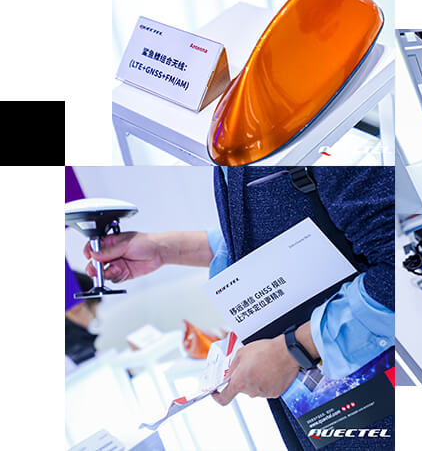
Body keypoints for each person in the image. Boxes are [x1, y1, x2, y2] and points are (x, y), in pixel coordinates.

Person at [83, 166, 394, 451]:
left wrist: (293, 349)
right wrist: (166, 250)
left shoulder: (324, 138)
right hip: (323, 411)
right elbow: (272, 231)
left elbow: (399, 270)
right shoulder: (230, 145)